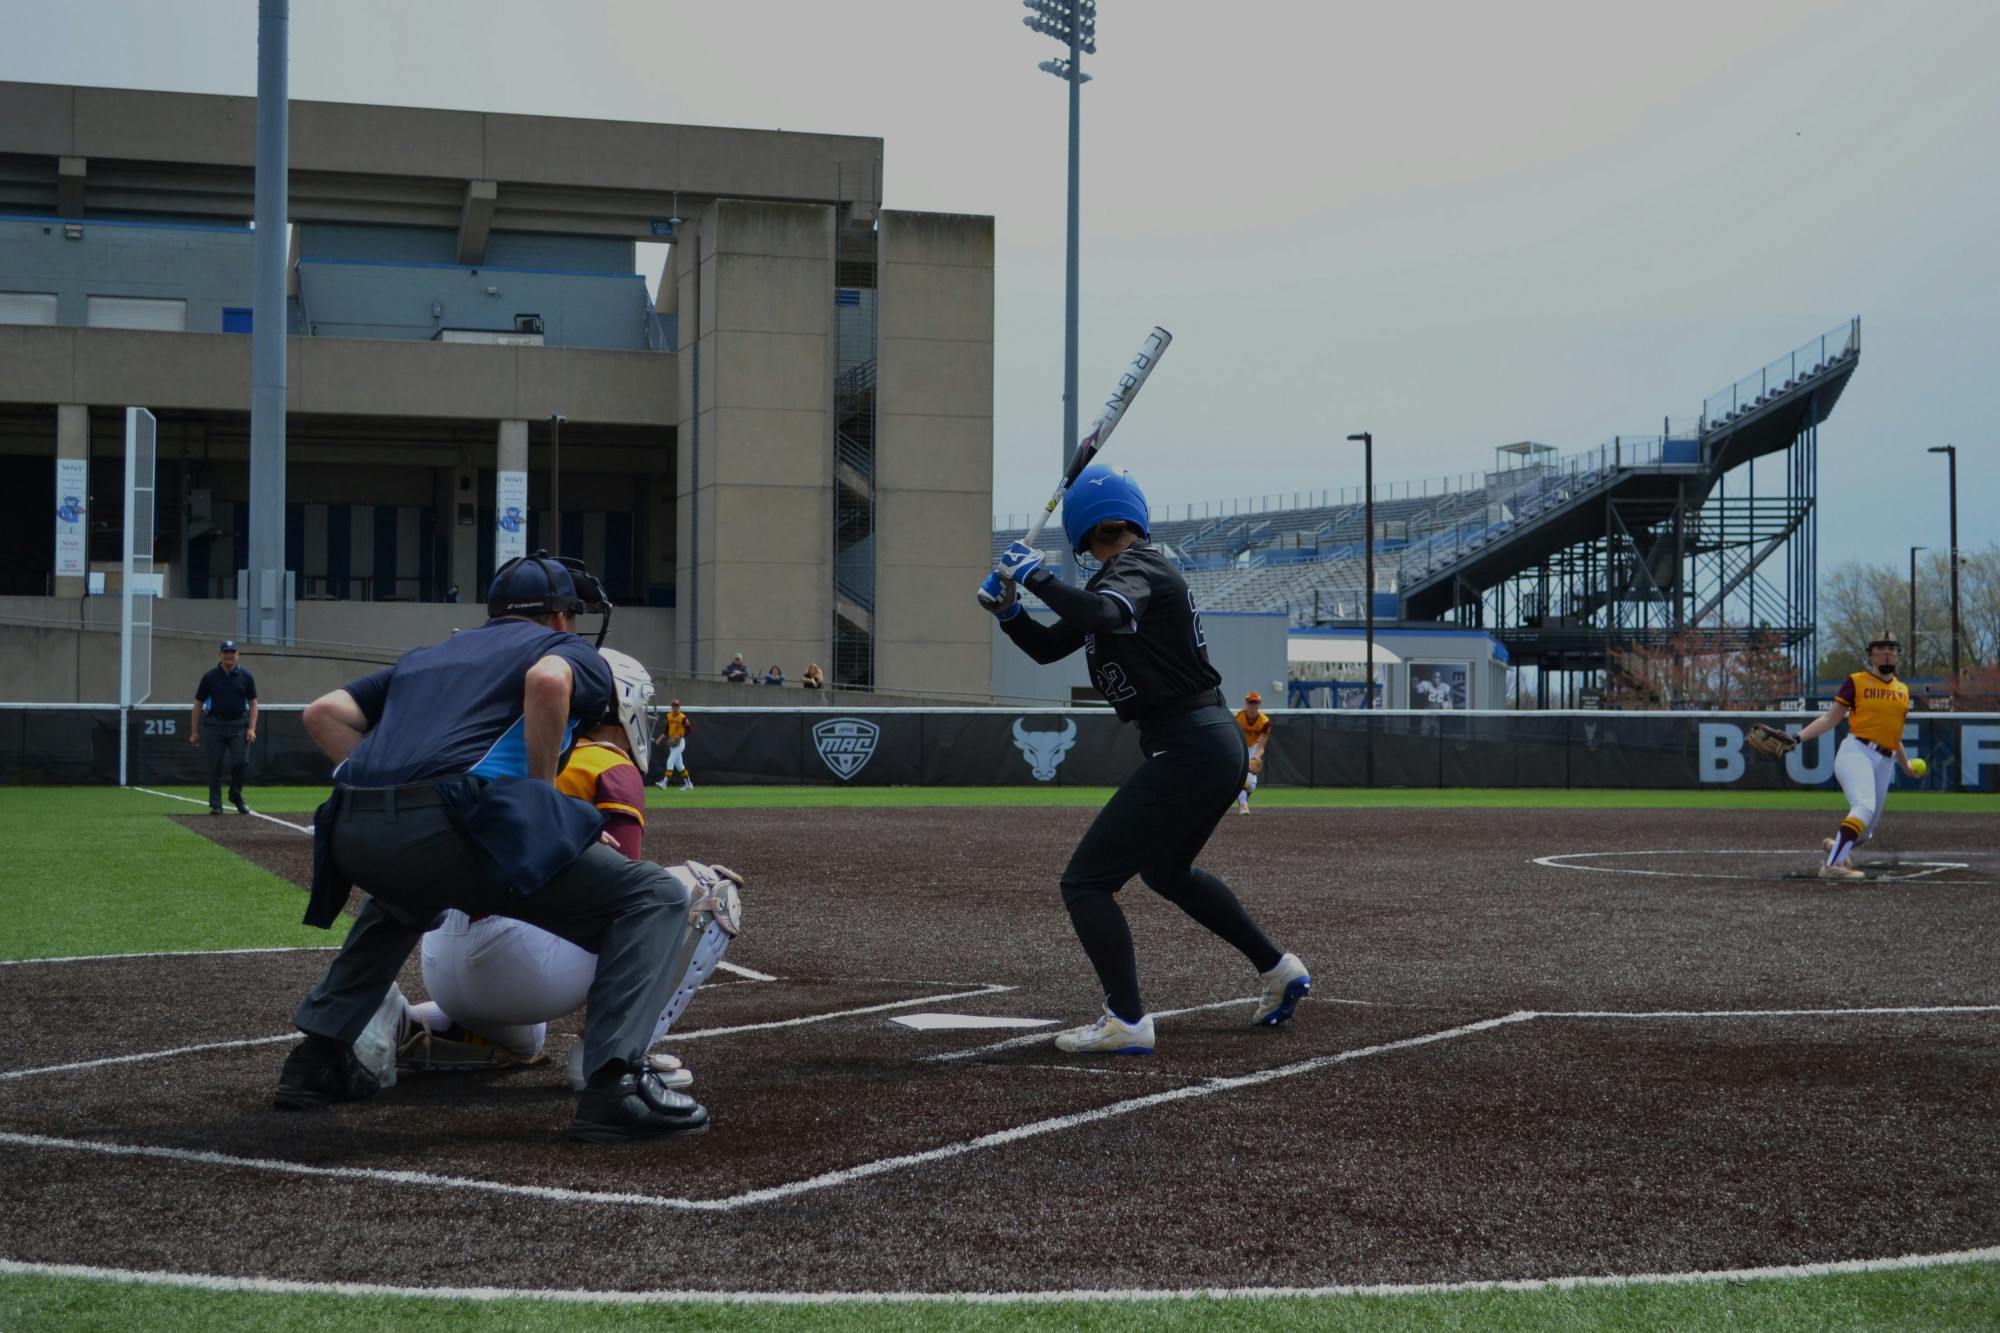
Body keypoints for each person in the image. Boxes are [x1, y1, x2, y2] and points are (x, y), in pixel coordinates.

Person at [275, 551, 711, 1143]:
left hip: (351, 825)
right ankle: (615, 1082)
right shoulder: (560, 651)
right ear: (560, 618)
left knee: (405, 898)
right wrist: (541, 805)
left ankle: (316, 1061)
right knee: (655, 897)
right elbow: (547, 680)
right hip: (458, 818)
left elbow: (321, 713)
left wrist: (386, 789)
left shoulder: (427, 657)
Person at [978, 465, 1310, 1054]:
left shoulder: (1136, 569)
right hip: (1204, 741)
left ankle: (1126, 1020)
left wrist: (1034, 576)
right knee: (1163, 871)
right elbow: (1055, 643)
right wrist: (1010, 612)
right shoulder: (1124, 574)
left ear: (1083, 534)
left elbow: (1104, 615)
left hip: (1191, 742)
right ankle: (1278, 969)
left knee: (1086, 882)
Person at [388, 649, 743, 1095]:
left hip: (444, 961)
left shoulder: (500, 750)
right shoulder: (609, 763)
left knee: (527, 1036)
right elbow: (629, 908)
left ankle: (399, 1020)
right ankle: (613, 1055)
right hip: (519, 962)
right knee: (707, 891)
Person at [1796, 630, 1918, 880]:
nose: (1887, 654)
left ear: (1898, 654)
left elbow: (1894, 734)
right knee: (1863, 807)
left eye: (1892, 649)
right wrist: (1797, 738)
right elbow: (1830, 719)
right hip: (1857, 751)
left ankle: (1836, 845)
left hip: (1886, 760)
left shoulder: (1903, 690)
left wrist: (1905, 765)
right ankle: (1832, 865)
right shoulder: (1856, 681)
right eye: (1881, 649)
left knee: (1865, 831)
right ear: (1871, 655)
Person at [190, 640, 258, 815]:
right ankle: (216, 804)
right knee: (215, 765)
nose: (229, 655)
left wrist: (251, 728)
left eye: (232, 652)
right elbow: (198, 703)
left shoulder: (246, 677)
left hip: (239, 725)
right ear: (220, 655)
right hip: (214, 725)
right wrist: (194, 731)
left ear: (237, 655)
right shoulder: (210, 677)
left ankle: (235, 795)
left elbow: (253, 704)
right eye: (226, 652)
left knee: (241, 762)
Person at [1234, 691, 1271, 815]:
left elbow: (1261, 745)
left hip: (1253, 748)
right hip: (1239, 747)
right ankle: (1243, 805)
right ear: (1246, 703)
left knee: (1251, 785)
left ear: (1259, 704)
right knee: (1239, 779)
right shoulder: (1238, 718)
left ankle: (1242, 798)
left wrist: (1256, 757)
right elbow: (1233, 738)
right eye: (1250, 702)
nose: (1252, 706)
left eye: (1255, 703)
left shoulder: (1264, 722)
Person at [654, 698, 693, 790]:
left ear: (679, 707)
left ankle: (664, 783)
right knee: (679, 766)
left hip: (680, 743)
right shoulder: (669, 716)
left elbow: (690, 730)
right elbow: (666, 730)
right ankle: (689, 784)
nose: (676, 708)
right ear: (671, 707)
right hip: (672, 743)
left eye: (677, 706)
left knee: (670, 761)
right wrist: (659, 739)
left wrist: (680, 736)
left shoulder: (682, 717)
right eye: (674, 707)